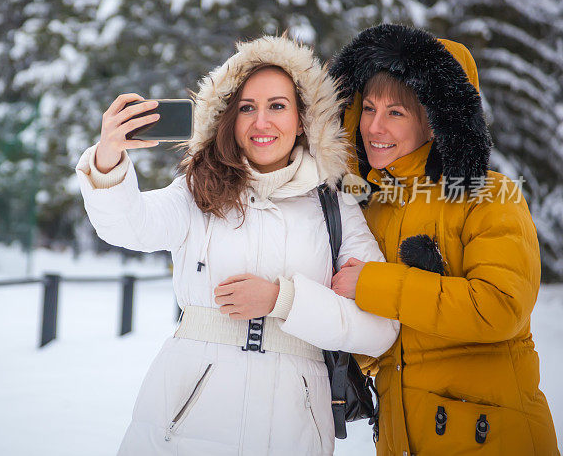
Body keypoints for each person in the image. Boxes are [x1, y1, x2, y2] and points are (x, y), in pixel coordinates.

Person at [75, 35, 399, 455]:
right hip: (184, 421)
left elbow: (379, 330)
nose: (261, 122)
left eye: (277, 106)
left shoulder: (335, 207)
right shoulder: (198, 190)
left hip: (294, 428)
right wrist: (107, 161)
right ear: (228, 116)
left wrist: (284, 300)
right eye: (247, 107)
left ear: (303, 118)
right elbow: (128, 226)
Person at [326, 23, 559, 454]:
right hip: (403, 438)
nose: (374, 126)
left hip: (490, 439)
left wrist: (373, 284)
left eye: (395, 113)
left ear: (437, 121)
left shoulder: (490, 196)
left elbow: (499, 308)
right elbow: (386, 340)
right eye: (369, 108)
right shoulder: (372, 208)